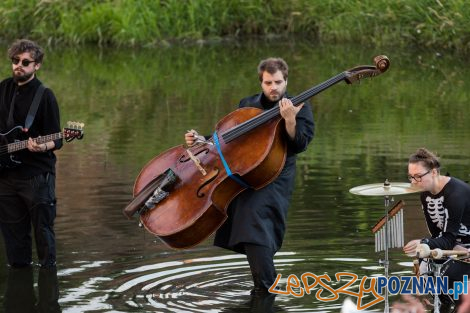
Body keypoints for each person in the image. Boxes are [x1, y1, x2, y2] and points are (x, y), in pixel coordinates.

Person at [185, 57, 314, 294]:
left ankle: (266, 287)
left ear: (286, 80)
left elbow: (300, 144)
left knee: (256, 225)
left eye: (278, 82)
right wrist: (203, 140)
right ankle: (265, 286)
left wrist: (290, 120)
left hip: (274, 176)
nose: (273, 87)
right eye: (268, 82)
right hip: (244, 174)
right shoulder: (248, 104)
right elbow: (229, 139)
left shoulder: (299, 106)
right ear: (261, 82)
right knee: (247, 227)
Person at [0, 39, 62, 268]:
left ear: (37, 66)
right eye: (15, 61)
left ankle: (48, 293)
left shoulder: (45, 96)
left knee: (43, 234)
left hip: (36, 176)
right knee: (13, 238)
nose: (19, 65)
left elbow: (57, 138)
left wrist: (42, 146)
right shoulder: (2, 88)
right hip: (5, 176)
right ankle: (19, 292)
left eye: (26, 62)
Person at [403, 147, 470, 310]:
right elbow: (437, 234)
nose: (414, 182)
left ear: (434, 172)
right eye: (411, 177)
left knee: (448, 277)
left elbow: (444, 238)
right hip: (453, 245)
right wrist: (427, 245)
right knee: (422, 263)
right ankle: (438, 304)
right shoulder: (425, 194)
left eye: (418, 176)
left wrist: (424, 242)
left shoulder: (456, 194)